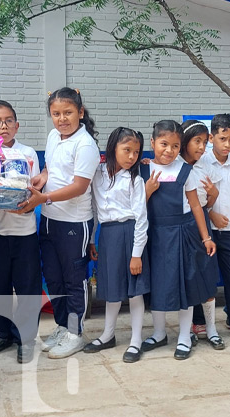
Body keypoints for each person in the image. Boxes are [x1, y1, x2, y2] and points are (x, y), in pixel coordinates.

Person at [18, 87, 101, 359]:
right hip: (50, 220)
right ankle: (63, 326)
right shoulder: (54, 136)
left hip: (74, 223)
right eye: (56, 114)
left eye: (68, 113)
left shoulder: (86, 144)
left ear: (80, 112)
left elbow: (79, 186)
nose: (62, 119)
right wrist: (41, 177)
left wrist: (44, 198)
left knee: (74, 279)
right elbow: (51, 168)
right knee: (53, 277)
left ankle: (76, 333)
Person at [141, 120, 217, 360]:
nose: (169, 150)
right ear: (152, 143)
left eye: (175, 146)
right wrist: (148, 190)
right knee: (158, 285)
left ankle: (184, 336)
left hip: (183, 233)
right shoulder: (143, 170)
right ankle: (159, 332)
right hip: (155, 234)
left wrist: (206, 237)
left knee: (186, 285)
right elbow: (135, 206)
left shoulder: (186, 171)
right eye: (163, 144)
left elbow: (196, 206)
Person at [0, 100, 42, 364]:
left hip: (24, 231)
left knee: (27, 287)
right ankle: (3, 333)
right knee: (0, 286)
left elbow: (34, 190)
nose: (3, 126)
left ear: (17, 125)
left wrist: (24, 205)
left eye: (8, 121)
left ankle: (26, 338)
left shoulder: (28, 154)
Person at [86, 127, 149, 363]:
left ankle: (135, 341)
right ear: (113, 148)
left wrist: (136, 254)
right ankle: (107, 334)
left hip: (131, 234)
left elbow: (141, 219)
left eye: (136, 152)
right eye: (127, 150)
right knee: (111, 290)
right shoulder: (97, 173)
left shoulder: (135, 179)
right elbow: (93, 208)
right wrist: (92, 238)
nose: (132, 156)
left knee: (134, 292)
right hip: (109, 235)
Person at [197, 114, 230, 342]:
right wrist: (211, 214)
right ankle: (199, 321)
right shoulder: (201, 163)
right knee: (204, 277)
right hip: (206, 231)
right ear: (211, 138)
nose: (228, 145)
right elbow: (195, 199)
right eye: (223, 139)